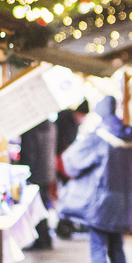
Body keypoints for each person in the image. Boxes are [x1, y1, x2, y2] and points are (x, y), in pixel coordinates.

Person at [59, 97, 132, 263]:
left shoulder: (98, 136)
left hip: (100, 202)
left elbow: (72, 162)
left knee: (97, 248)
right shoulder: (129, 136)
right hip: (123, 200)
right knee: (117, 248)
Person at [53, 100, 90, 240]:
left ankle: (66, 222)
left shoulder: (65, 118)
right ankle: (65, 222)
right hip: (62, 162)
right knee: (66, 193)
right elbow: (67, 145)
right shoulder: (69, 122)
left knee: (64, 193)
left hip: (60, 161)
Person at [18, 120, 56, 249]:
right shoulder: (50, 126)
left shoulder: (31, 128)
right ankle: (45, 238)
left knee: (37, 206)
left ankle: (41, 239)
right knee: (43, 205)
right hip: (47, 171)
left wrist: (23, 171)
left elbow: (28, 152)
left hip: (34, 172)